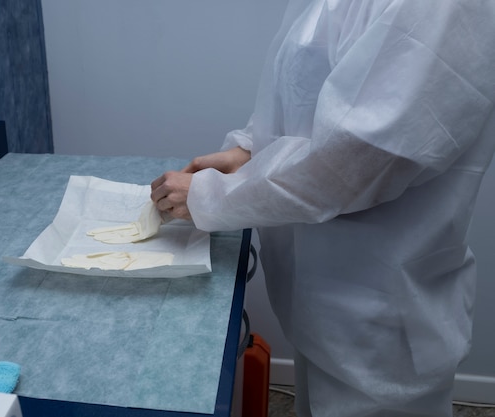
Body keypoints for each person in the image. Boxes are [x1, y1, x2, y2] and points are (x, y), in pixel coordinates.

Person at [150, 1, 495, 416]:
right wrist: (249, 149)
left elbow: (357, 160)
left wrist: (212, 196)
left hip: (381, 315)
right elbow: (306, 95)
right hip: (324, 297)